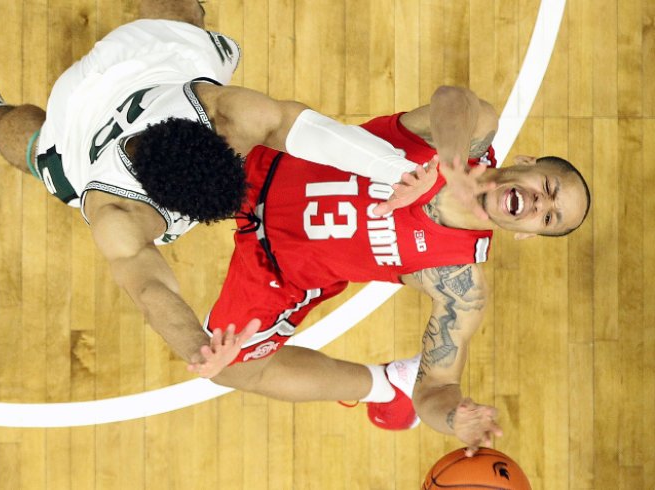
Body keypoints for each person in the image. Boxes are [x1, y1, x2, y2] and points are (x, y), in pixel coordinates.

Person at [0, 1, 483, 369]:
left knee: (176, 17)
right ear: (166, 207)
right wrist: (197, 348)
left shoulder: (209, 121)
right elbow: (150, 290)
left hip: (128, 66)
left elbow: (300, 128)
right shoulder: (122, 209)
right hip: (88, 111)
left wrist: (397, 171)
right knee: (41, 151)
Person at [186, 85, 591, 456]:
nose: (540, 204)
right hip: (267, 159)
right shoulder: (469, 136)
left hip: (278, 268)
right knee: (185, 118)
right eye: (549, 187)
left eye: (549, 218)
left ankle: (384, 386)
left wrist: (454, 418)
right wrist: (450, 164)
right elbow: (453, 99)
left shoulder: (459, 285)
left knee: (229, 367)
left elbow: (436, 390)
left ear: (527, 235)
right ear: (526, 162)